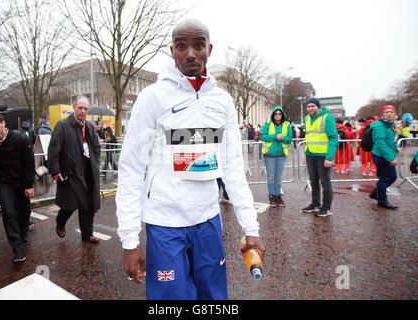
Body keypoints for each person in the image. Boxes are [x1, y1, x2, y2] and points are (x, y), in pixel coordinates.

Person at [115, 19, 265, 300]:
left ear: (210, 48)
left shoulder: (223, 101)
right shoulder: (152, 98)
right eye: (182, 47)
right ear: (173, 51)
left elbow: (233, 168)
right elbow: (132, 169)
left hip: (207, 221)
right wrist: (129, 240)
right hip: (164, 223)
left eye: (198, 45)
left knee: (212, 297)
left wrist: (251, 227)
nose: (191, 54)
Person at [0, 112, 35, 262]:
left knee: (24, 210)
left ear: (3, 123)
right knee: (9, 213)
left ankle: (24, 232)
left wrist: (29, 185)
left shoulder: (20, 138)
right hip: (2, 183)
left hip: (21, 181)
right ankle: (17, 249)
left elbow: (29, 162)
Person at [47, 95, 101, 244]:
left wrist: (96, 163)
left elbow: (96, 147)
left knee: (88, 204)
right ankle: (61, 221)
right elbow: (53, 149)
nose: (83, 111)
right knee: (70, 204)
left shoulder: (89, 127)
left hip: (88, 170)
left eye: (85, 109)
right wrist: (54, 170)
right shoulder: (63, 125)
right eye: (80, 108)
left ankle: (87, 234)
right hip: (70, 172)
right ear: (73, 107)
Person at [301, 97, 338, 217]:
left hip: (323, 155)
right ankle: (315, 203)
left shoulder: (327, 118)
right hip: (310, 154)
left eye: (313, 106)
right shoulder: (306, 119)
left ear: (318, 106)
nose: (310, 108)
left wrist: (329, 158)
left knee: (325, 182)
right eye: (308, 106)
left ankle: (326, 207)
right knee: (314, 181)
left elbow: (333, 138)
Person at [369, 105, 401, 209]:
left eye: (391, 112)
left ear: (395, 114)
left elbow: (390, 140)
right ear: (382, 114)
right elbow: (380, 144)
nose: (389, 114)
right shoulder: (380, 126)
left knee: (391, 177)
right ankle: (382, 200)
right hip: (381, 156)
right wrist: (391, 158)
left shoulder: (389, 125)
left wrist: (396, 146)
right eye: (387, 112)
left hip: (386, 155)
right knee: (385, 178)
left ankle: (376, 193)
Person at [260, 106, 292, 207]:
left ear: (282, 115)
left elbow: (289, 139)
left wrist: (283, 138)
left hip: (281, 155)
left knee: (278, 178)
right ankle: (272, 197)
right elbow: (263, 136)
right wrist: (275, 136)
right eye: (275, 114)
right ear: (273, 115)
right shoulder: (268, 124)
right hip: (269, 155)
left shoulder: (287, 125)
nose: (277, 116)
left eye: (279, 114)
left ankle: (278, 196)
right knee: (270, 177)